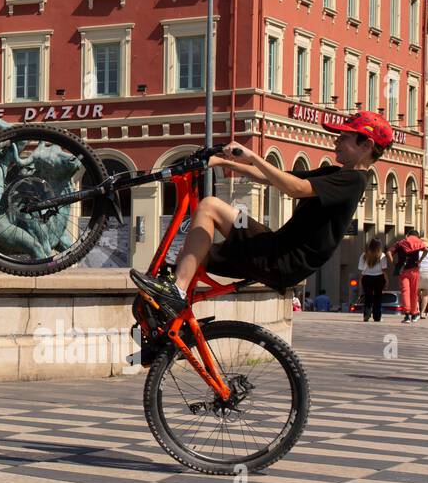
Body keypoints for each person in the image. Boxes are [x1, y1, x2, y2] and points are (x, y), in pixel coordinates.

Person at [131, 111, 389, 325]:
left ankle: (177, 292)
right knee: (188, 260)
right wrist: (224, 162)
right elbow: (274, 177)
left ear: (366, 146)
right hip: (276, 250)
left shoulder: (353, 180)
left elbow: (295, 189)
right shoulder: (334, 172)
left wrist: (252, 155)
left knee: (209, 206)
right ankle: (170, 320)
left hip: (283, 258)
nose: (336, 141)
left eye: (343, 137)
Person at [388, 227, 427, 323]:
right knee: (414, 292)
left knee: (405, 292)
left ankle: (406, 315)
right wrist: (420, 260)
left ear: (408, 235)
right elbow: (426, 250)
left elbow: (388, 252)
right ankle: (414, 314)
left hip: (403, 270)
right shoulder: (418, 242)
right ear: (417, 236)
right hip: (414, 270)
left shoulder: (400, 243)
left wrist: (393, 264)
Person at [358, 237, 388, 322]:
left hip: (366, 277)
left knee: (368, 297)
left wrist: (361, 280)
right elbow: (384, 269)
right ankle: (377, 316)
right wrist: (387, 280)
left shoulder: (364, 255)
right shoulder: (382, 255)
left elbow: (361, 269)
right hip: (379, 278)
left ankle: (366, 313)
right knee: (378, 297)